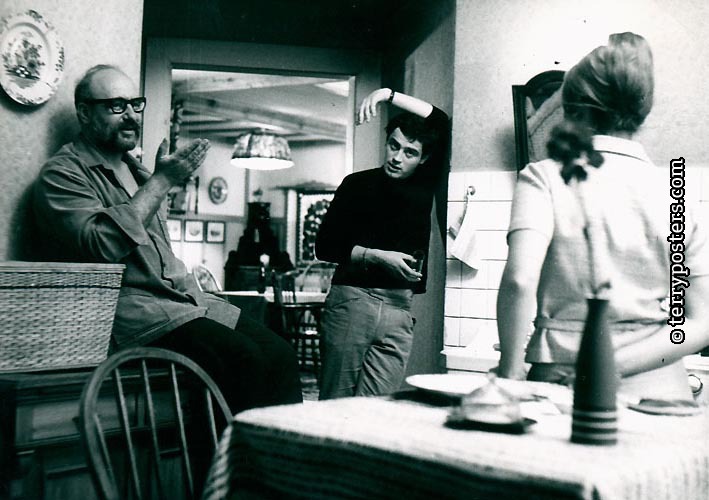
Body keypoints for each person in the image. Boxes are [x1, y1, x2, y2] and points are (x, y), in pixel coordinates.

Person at [33, 64, 302, 415]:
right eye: (116, 105)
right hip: (133, 315)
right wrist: (162, 182)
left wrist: (156, 180)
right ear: (84, 113)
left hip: (184, 303)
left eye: (135, 104)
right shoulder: (63, 173)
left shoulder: (138, 171)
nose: (131, 116)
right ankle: (232, 453)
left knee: (281, 354)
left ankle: (284, 450)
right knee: (244, 360)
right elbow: (100, 245)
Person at [496, 33, 709, 400]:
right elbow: (702, 321)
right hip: (660, 388)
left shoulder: (544, 177)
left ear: (572, 112)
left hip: (563, 384)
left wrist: (510, 371)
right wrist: (615, 363)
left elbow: (519, 279)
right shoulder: (678, 194)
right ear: (641, 112)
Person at [315, 88, 449, 399]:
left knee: (377, 411)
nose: (397, 158)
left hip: (399, 310)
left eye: (409, 152)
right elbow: (325, 246)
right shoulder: (356, 184)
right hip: (353, 301)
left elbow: (440, 120)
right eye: (394, 146)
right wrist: (376, 256)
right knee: (335, 407)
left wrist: (386, 95)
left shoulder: (424, 184)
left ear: (424, 158)